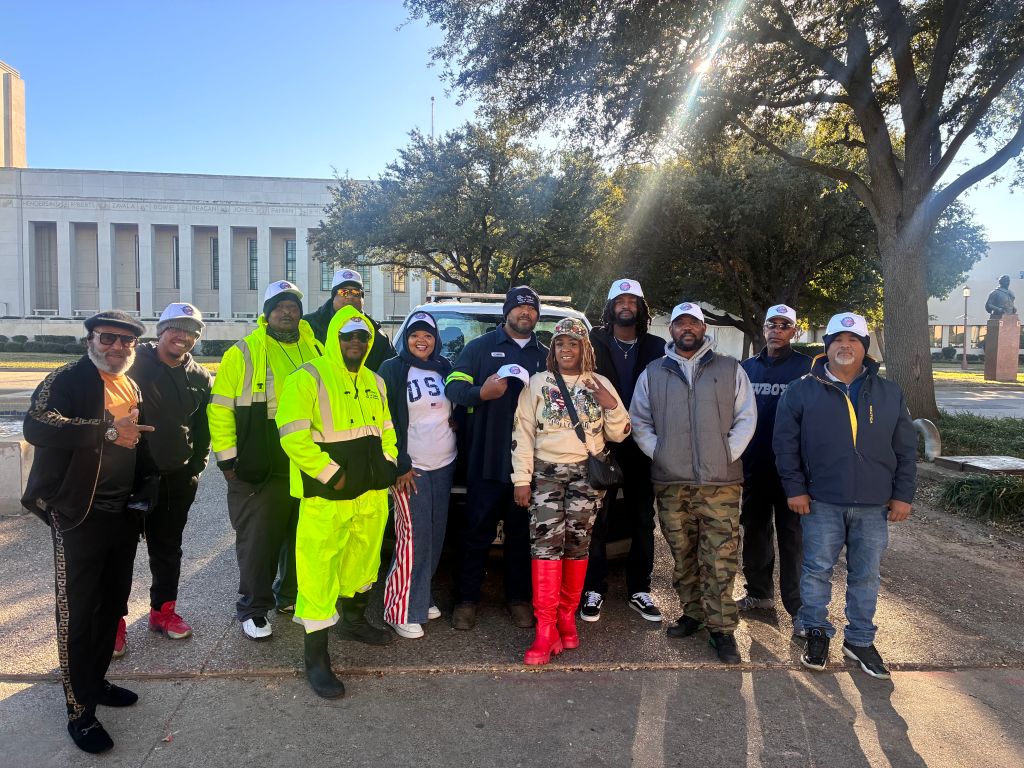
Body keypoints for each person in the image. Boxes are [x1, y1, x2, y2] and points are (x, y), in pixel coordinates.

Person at [22, 310, 156, 754]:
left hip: (121, 513)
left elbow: (133, 439)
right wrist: (105, 431)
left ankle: (95, 682)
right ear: (90, 340)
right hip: (78, 512)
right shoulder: (66, 379)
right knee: (78, 612)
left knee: (111, 605)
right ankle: (79, 710)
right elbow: (36, 425)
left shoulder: (130, 383)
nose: (117, 347)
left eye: (126, 341)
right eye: (108, 338)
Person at [773, 312, 916, 679]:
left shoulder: (889, 393)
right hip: (821, 500)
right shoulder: (802, 389)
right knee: (816, 571)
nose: (845, 346)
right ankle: (815, 631)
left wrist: (902, 495)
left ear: (865, 348)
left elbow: (905, 448)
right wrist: (796, 490)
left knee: (866, 575)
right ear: (827, 347)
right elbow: (784, 445)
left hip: (873, 504)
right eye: (837, 340)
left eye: (853, 340)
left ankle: (860, 640)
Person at [276, 306, 399, 697]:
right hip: (326, 497)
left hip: (370, 494)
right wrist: (332, 474)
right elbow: (293, 437)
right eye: (347, 336)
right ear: (334, 337)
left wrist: (389, 466)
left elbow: (387, 430)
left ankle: (354, 622)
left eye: (362, 336)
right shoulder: (307, 378)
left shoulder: (375, 381)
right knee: (319, 573)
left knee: (364, 561)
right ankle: (315, 658)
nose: (356, 343)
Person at [629, 302, 756, 664]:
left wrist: (725, 453)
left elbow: (746, 418)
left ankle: (722, 629)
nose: (687, 329)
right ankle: (693, 615)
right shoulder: (653, 373)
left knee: (719, 557)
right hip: (671, 482)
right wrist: (662, 452)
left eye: (693, 323)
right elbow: (640, 420)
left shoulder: (730, 369)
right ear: (671, 330)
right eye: (680, 323)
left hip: (721, 482)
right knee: (683, 555)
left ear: (704, 329)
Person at [208, 281, 324, 641]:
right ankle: (254, 608)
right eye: (279, 306)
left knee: (300, 532)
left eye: (293, 306)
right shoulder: (244, 351)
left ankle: (288, 597)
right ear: (267, 312)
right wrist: (227, 460)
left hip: (304, 451)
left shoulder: (316, 346)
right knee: (260, 537)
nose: (287, 312)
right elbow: (221, 409)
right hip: (262, 453)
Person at [511, 318, 630, 664]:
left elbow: (621, 433)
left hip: (587, 475)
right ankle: (545, 628)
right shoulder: (537, 384)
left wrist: (610, 402)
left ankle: (566, 618)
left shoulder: (599, 382)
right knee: (546, 546)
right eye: (561, 344)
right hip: (546, 474)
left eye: (573, 344)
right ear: (554, 349)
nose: (566, 350)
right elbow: (523, 433)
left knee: (578, 545)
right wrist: (522, 478)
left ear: (585, 349)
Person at [444, 285, 549, 630]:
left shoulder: (545, 355)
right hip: (485, 461)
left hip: (528, 467)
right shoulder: (479, 348)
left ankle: (517, 598)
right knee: (476, 533)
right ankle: (466, 600)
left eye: (532, 309)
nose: (525, 314)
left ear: (537, 315)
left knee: (521, 537)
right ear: (507, 312)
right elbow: (454, 388)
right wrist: (481, 393)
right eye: (519, 308)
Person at [123, 302, 212, 649]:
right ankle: (114, 621)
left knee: (167, 550)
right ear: (160, 331)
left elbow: (204, 429)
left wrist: (196, 467)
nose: (182, 335)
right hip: (129, 478)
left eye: (190, 330)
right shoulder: (134, 363)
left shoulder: (200, 377)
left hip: (176, 478)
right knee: (120, 552)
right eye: (174, 327)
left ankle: (163, 611)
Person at [581, 279, 666, 624]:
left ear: (641, 308)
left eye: (633, 299)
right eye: (620, 299)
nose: (626, 304)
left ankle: (639, 589)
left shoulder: (658, 346)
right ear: (611, 305)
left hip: (643, 446)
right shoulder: (593, 343)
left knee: (643, 520)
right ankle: (593, 587)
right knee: (597, 521)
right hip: (601, 445)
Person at [379, 311, 456, 639]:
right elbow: (383, 420)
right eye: (414, 335)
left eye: (427, 335)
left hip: (445, 463)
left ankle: (420, 597)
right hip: (412, 469)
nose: (421, 340)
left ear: (436, 339)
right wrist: (399, 465)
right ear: (406, 338)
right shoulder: (392, 370)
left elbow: (455, 405)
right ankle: (399, 608)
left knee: (435, 536)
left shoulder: (445, 368)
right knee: (412, 538)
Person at [735, 304, 811, 636]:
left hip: (792, 473)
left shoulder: (807, 369)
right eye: (771, 324)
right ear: (764, 329)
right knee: (754, 532)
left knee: (792, 538)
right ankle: (759, 594)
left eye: (784, 325)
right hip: (753, 467)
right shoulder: (746, 369)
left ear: (794, 331)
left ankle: (797, 607)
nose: (777, 330)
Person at [306, 267, 397, 371]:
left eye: (355, 292)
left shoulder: (377, 335)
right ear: (333, 297)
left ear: (362, 298)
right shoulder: (309, 326)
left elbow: (390, 372)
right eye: (343, 292)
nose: (349, 297)